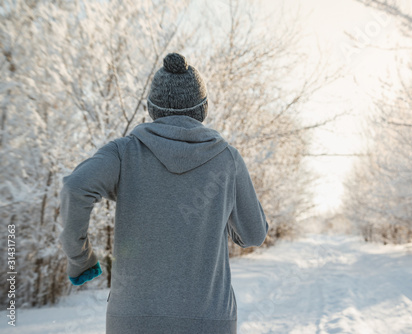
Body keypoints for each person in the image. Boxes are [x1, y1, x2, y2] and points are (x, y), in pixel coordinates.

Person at [58, 53, 269, 334]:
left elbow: (75, 187)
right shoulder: (227, 160)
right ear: (203, 108)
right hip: (208, 321)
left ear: (151, 109)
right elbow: (254, 234)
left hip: (132, 320)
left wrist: (80, 258)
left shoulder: (123, 153)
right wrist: (219, 216)